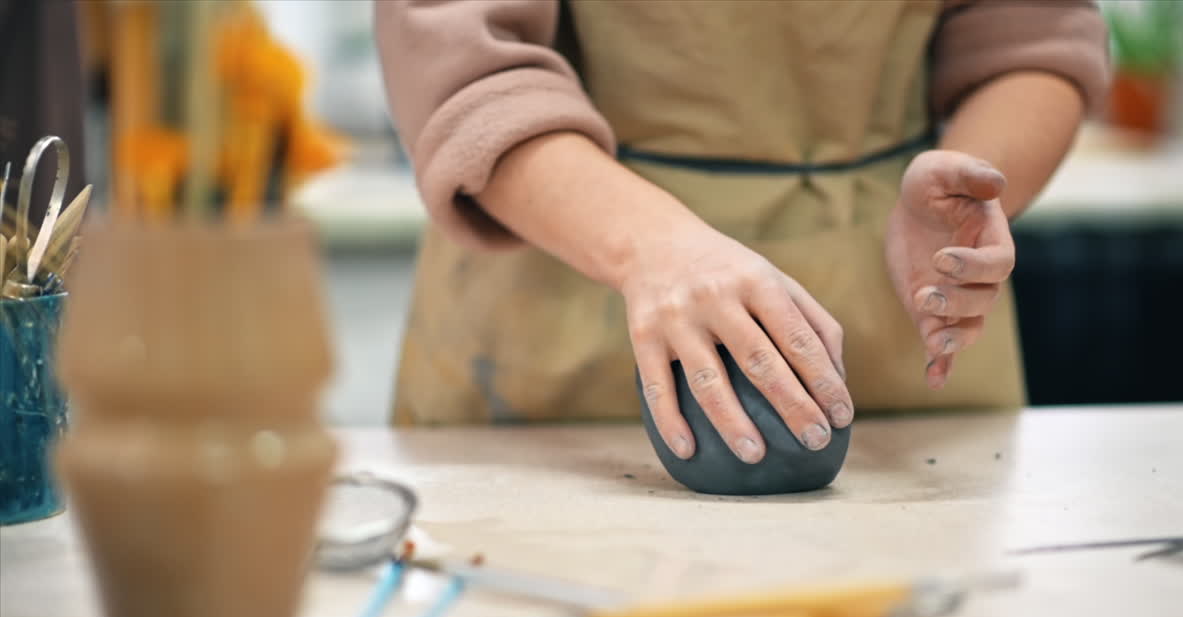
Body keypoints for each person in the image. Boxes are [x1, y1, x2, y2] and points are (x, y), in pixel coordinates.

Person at [374, 0, 1109, 464]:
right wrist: (651, 246)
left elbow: (1036, 37)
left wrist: (966, 187)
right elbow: (463, 70)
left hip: (898, 317)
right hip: (562, 302)